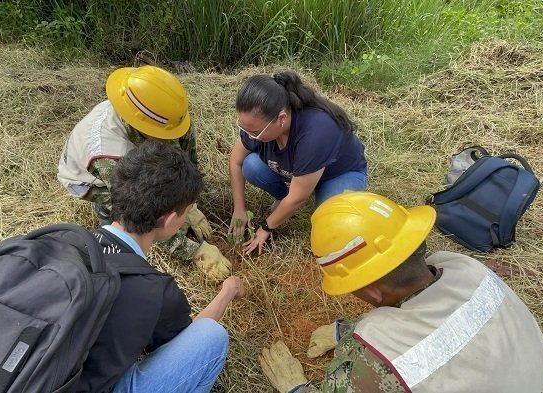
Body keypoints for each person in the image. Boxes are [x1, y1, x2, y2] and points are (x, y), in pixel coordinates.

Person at [259, 192, 543, 393]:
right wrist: (343, 330)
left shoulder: (375, 358)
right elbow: (443, 324)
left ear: (372, 292)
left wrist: (295, 387)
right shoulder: (467, 269)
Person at [79, 141, 246, 392]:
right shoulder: (155, 292)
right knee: (212, 338)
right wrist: (228, 291)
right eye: (187, 211)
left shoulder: (65, 241)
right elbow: (190, 338)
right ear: (169, 220)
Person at [58, 65, 231, 280]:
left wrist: (189, 204)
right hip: (88, 180)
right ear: (142, 126)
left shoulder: (160, 111)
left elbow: (187, 151)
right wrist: (196, 251)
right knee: (127, 218)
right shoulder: (111, 157)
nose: (171, 139)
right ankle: (109, 223)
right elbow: (142, 215)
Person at [228, 71, 367, 255]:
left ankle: (320, 195)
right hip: (299, 172)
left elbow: (297, 198)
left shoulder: (316, 133)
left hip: (338, 173)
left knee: (332, 226)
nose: (249, 136)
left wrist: (266, 228)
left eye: (255, 132)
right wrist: (239, 209)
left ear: (281, 119)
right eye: (243, 128)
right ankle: (281, 197)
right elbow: (236, 162)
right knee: (251, 165)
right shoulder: (259, 126)